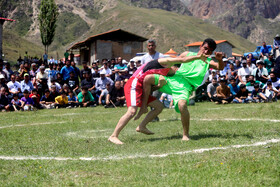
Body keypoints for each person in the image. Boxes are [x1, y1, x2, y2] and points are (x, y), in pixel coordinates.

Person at [108, 40, 212, 145]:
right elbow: (183, 59)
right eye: (176, 70)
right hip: (135, 83)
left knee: (159, 106)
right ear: (173, 66)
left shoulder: (165, 72)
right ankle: (114, 136)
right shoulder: (164, 61)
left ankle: (142, 126)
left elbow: (149, 86)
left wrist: (157, 87)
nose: (176, 72)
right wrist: (198, 57)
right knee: (132, 111)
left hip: (141, 85)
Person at [135, 38, 223, 142]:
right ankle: (143, 110)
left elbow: (220, 67)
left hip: (185, 87)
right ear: (201, 46)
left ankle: (185, 135)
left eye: (210, 51)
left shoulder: (209, 61)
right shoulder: (187, 53)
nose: (206, 52)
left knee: (182, 106)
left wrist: (220, 60)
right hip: (173, 79)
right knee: (148, 78)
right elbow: (174, 62)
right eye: (205, 48)